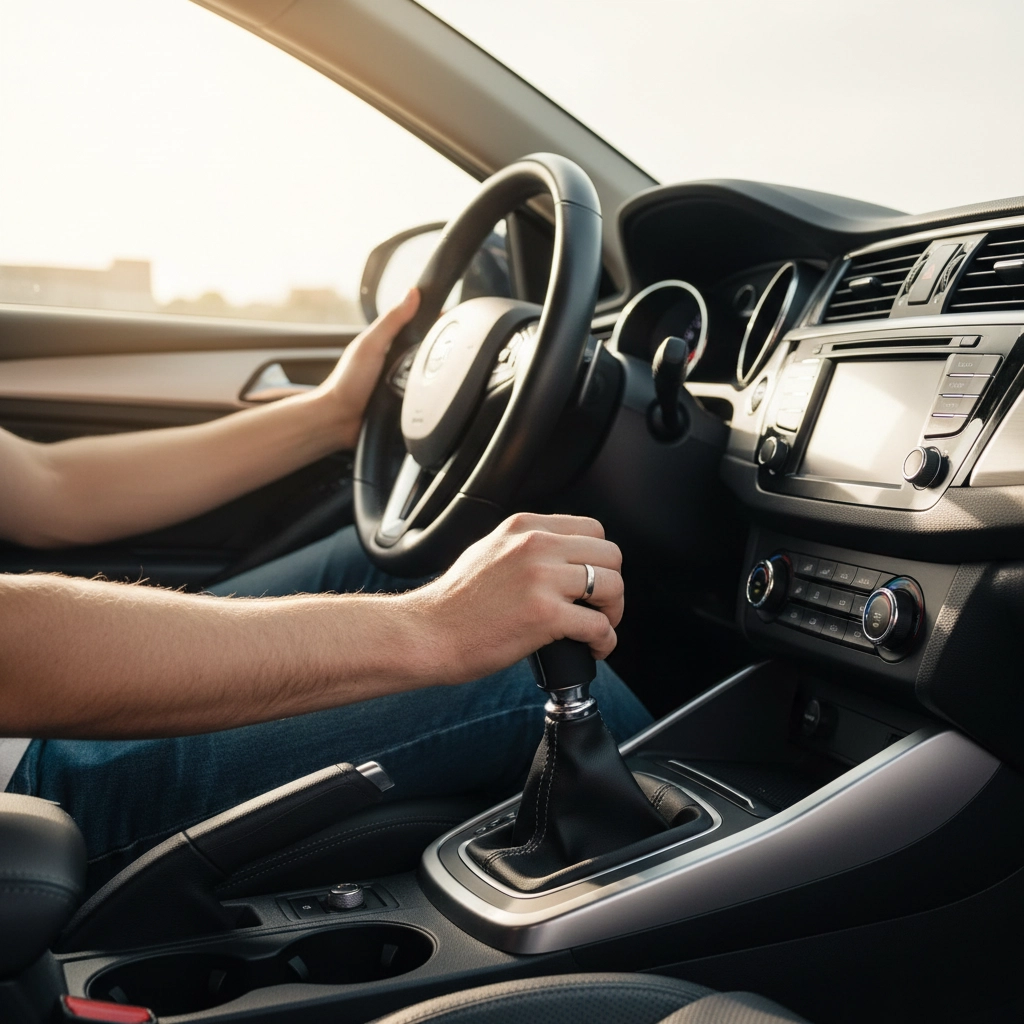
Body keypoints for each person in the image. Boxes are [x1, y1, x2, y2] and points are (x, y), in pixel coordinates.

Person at [0, 288, 651, 888]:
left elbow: (47, 488)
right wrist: (434, 629)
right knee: (512, 680)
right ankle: (693, 878)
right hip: (27, 792)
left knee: (380, 567)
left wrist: (331, 416)